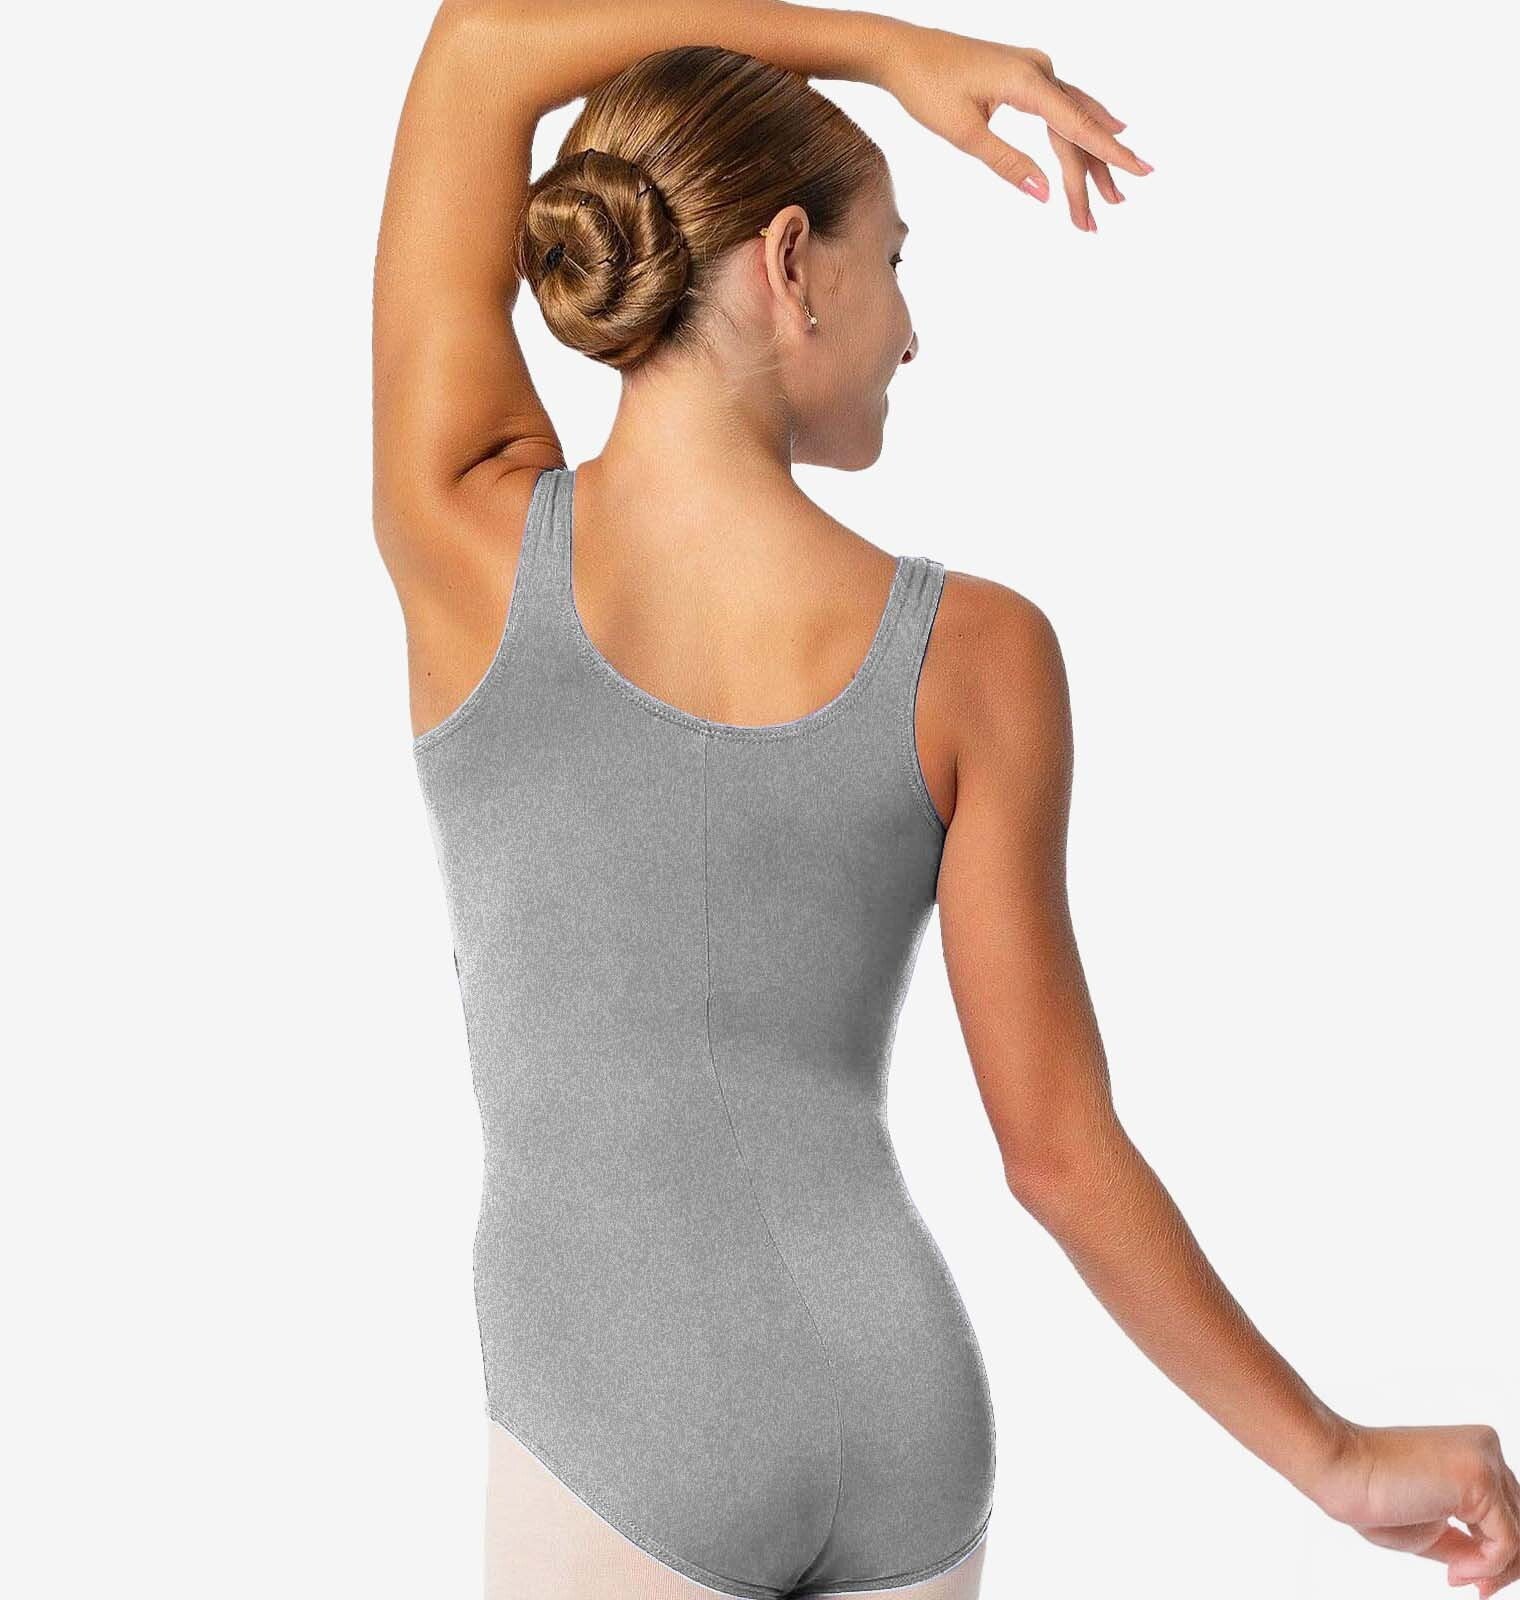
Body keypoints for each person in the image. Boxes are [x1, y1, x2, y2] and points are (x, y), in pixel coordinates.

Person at [371, 3, 1519, 1596]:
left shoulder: (468, 539)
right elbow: (1058, 1154)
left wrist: (882, 56)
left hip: (621, 1419)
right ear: (791, 264)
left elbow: (480, 47)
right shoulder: (978, 654)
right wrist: (1332, 1456)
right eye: (897, 261)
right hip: (910, 1421)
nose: (912, 332)